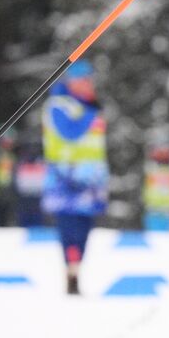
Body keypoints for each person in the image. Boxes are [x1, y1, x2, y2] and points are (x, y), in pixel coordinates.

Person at [42, 60, 108, 295]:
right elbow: (70, 133)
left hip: (91, 182)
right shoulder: (59, 105)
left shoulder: (91, 105)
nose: (88, 85)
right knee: (69, 229)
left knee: (85, 229)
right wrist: (90, 112)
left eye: (90, 80)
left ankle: (76, 269)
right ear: (71, 81)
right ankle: (70, 270)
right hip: (65, 180)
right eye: (83, 80)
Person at [13, 143, 48, 228]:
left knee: (37, 220)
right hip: (25, 196)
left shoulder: (42, 162)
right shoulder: (21, 162)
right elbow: (16, 179)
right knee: (24, 220)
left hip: (37, 195)